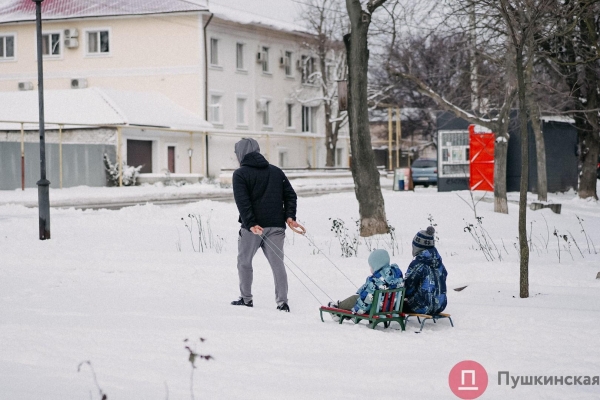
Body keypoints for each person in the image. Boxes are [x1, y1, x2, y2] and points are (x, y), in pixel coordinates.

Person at [230, 138, 300, 312]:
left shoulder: (240, 174)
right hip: (276, 226)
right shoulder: (276, 171)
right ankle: (282, 303)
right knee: (278, 264)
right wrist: (289, 216)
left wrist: (251, 223)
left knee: (244, 262)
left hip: (252, 229)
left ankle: (246, 299)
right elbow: (290, 195)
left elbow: (242, 202)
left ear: (241, 153)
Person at [328, 249, 403, 314]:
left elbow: (366, 300)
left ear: (377, 265)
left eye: (371, 266)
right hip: (391, 307)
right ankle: (341, 305)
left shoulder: (375, 281)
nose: (370, 268)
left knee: (354, 299)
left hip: (376, 308)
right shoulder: (397, 276)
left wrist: (356, 310)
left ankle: (338, 308)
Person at [403, 226, 448, 315]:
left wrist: (403, 296)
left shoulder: (417, 264)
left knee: (397, 305)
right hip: (441, 305)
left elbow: (408, 286)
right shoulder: (440, 264)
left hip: (422, 306)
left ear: (417, 247)